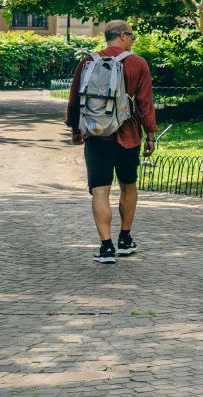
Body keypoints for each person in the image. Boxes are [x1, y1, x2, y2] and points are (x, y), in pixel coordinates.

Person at [66, 20, 156, 263]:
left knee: (100, 190)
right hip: (128, 136)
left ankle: (106, 247)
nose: (133, 39)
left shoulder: (87, 62)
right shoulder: (138, 63)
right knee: (128, 185)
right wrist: (150, 134)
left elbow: (75, 99)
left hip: (96, 136)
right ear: (124, 36)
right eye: (132, 35)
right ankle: (125, 239)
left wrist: (76, 129)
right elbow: (145, 103)